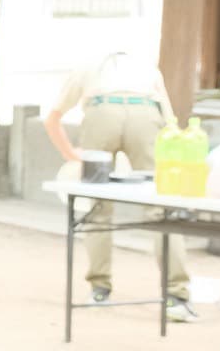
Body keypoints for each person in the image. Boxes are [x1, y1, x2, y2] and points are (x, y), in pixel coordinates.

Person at [43, 51, 197, 321]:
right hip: (146, 113)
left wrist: (71, 155)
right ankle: (176, 298)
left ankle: (99, 290)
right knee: (161, 210)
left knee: (98, 208)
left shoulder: (85, 65)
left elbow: (52, 118)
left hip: (102, 112)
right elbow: (170, 122)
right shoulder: (147, 67)